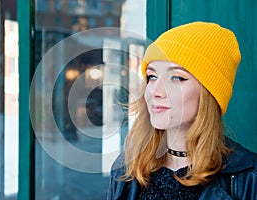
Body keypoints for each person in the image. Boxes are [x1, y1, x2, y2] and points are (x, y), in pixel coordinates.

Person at [107, 21, 257, 200]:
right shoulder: (126, 169)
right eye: (152, 76)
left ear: (209, 94)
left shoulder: (249, 177)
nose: (155, 91)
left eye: (176, 78)